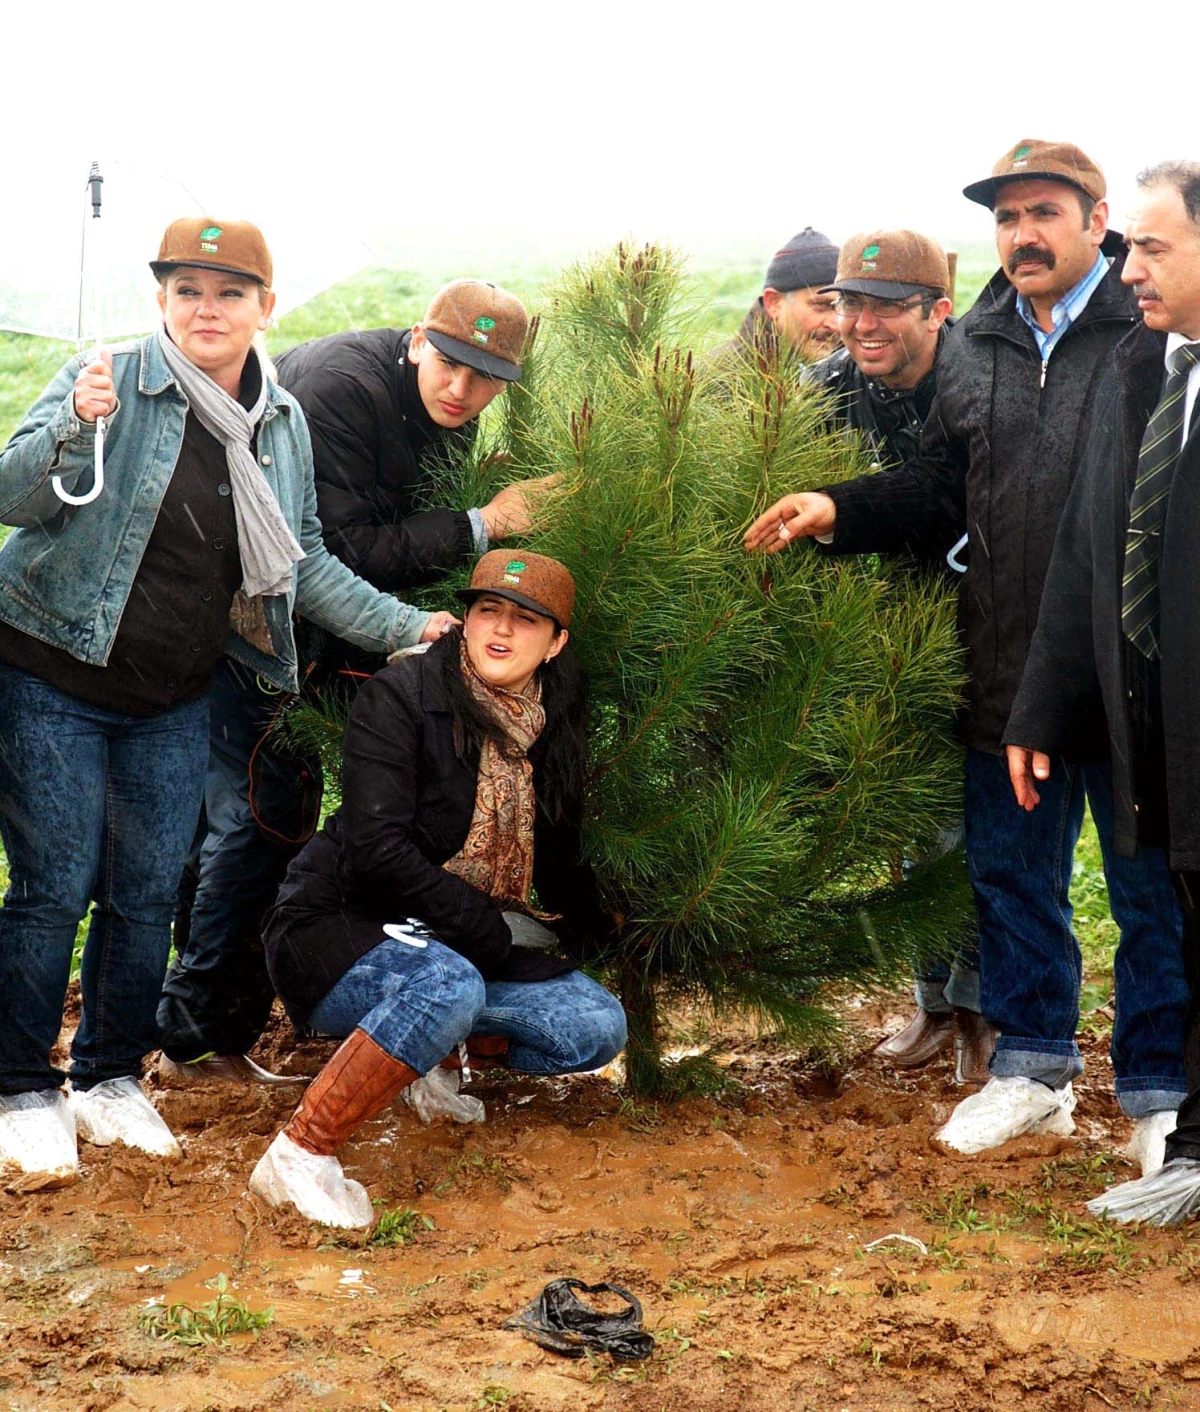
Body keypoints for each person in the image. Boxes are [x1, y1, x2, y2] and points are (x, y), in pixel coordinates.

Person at [745, 140, 1187, 1168]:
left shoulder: (1149, 329)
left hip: (1130, 664)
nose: (1023, 234)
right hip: (1007, 658)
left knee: (1143, 883)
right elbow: (948, 482)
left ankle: (1161, 1088)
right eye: (1007, 217)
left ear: (1096, 218)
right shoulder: (982, 339)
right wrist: (839, 509)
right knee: (1012, 874)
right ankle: (1032, 1067)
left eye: (1044, 212)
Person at [0, 217, 455, 1190]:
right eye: (187, 290)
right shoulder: (109, 381)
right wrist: (71, 427)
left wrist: (407, 627)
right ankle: (21, 1088)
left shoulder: (277, 420)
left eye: (230, 292)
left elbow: (305, 565)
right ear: (161, 298)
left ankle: (110, 1076)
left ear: (266, 307)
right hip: (54, 671)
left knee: (142, 885)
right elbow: (12, 495)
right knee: (54, 883)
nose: (208, 309)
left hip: (174, 688)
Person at [158, 280, 556, 1084]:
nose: (462, 389)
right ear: (416, 339)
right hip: (257, 642)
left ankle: (210, 1022)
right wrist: (484, 523)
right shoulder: (340, 389)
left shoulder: (437, 410)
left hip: (324, 645)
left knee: (259, 827)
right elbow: (337, 555)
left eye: (485, 379)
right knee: (253, 828)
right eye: (449, 364)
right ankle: (201, 1038)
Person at [248, 551, 627, 1227]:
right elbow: (374, 850)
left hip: (449, 932)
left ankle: (423, 1053)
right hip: (339, 925)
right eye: (488, 611)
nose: (501, 631)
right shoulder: (402, 696)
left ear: (557, 642)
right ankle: (300, 1153)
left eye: (525, 620)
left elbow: (559, 845)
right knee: (449, 985)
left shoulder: (550, 715)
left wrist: (601, 917)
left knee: (595, 1026)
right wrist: (483, 925)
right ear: (466, 620)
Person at [1006, 162, 1200, 1222]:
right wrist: (1042, 707)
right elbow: (1088, 551)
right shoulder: (1145, 366)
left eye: (1154, 248)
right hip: (1153, 720)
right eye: (1131, 248)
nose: (1133, 269)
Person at [802, 228, 992, 1082]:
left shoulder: (976, 383)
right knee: (919, 829)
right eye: (849, 304)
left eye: (885, 308)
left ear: (937, 311)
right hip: (889, 638)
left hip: (989, 633)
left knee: (985, 834)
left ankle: (985, 1012)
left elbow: (937, 490)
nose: (862, 324)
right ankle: (933, 1004)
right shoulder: (834, 392)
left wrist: (834, 507)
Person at [715, 227, 840, 366]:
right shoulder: (715, 381)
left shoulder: (853, 372)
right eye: (821, 305)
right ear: (774, 303)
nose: (836, 325)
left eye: (843, 307)